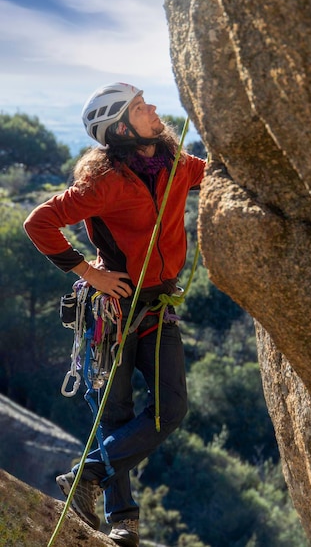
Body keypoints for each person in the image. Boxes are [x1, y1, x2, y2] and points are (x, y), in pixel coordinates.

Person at [24, 82, 206, 547]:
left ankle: (85, 475)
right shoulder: (104, 183)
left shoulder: (177, 166)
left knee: (172, 408)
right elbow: (39, 222)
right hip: (114, 311)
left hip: (157, 306)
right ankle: (123, 521)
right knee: (116, 413)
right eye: (142, 108)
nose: (154, 110)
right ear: (122, 128)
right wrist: (89, 271)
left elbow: (215, 174)